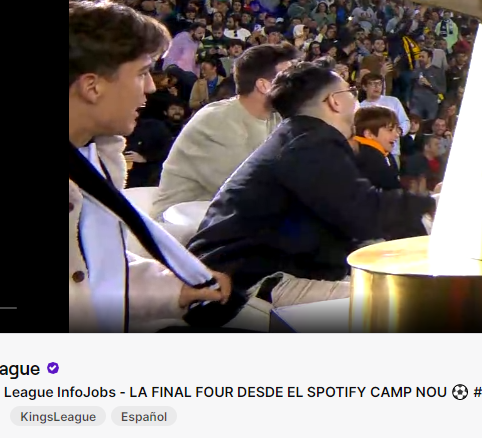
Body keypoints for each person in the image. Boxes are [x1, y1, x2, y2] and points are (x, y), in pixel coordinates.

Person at [187, 63, 436, 324]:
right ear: (334, 101)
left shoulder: (300, 137)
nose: (355, 99)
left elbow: (346, 215)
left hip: (265, 270)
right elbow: (363, 213)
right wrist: (431, 205)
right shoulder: (308, 143)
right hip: (247, 283)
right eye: (350, 91)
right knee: (417, 305)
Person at [67, 0, 233, 333]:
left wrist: (174, 288)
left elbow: (89, 268)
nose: (151, 87)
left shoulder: (95, 156)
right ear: (92, 86)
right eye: (142, 73)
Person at [155, 43, 295, 212]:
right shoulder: (216, 121)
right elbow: (246, 189)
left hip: (227, 214)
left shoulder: (275, 117)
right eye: (288, 79)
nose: (296, 87)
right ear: (263, 86)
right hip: (180, 219)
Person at [350, 105, 404, 191]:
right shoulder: (370, 157)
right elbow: (392, 188)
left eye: (397, 130)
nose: (397, 135)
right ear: (369, 134)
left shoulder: (384, 154)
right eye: (390, 130)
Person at [356, 71, 411, 137]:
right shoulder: (360, 107)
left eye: (379, 84)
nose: (377, 87)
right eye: (372, 84)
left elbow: (405, 121)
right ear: (364, 87)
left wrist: (399, 131)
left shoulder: (393, 101)